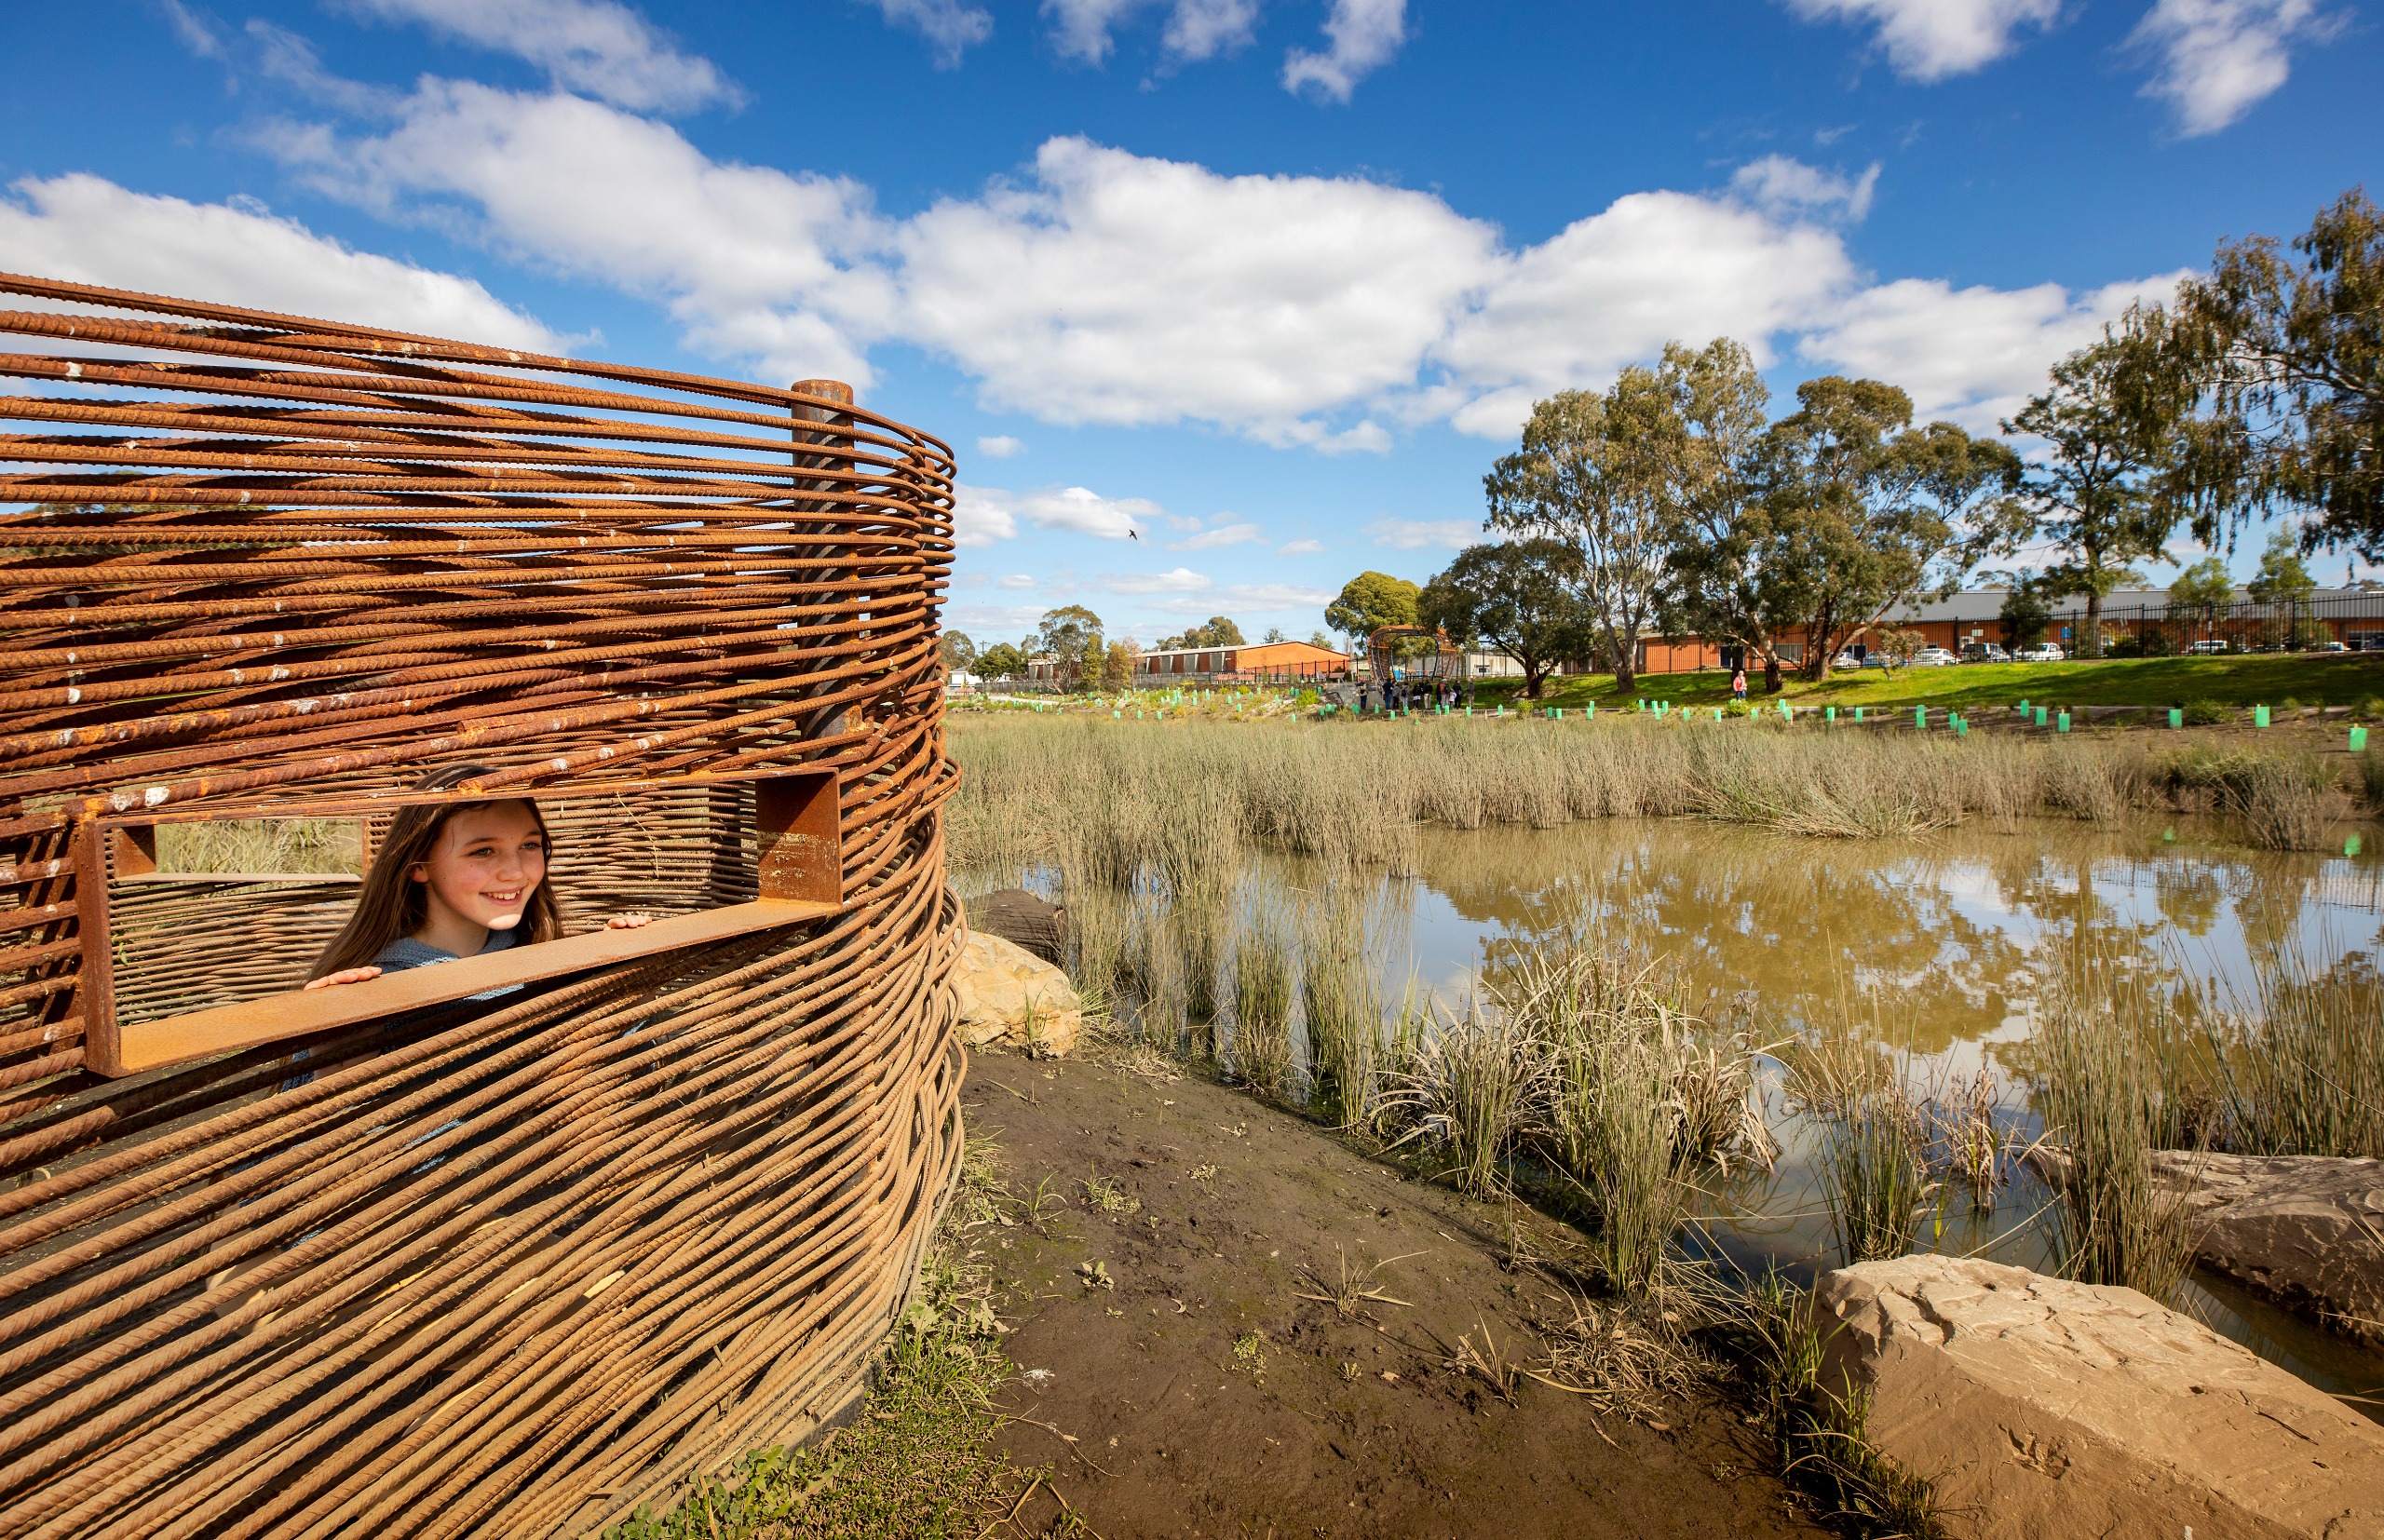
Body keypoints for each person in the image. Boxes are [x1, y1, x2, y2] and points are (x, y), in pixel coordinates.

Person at [306, 763, 648, 991]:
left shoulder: (540, 962)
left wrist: (613, 981)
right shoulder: (376, 987)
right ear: (419, 866)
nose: (515, 872)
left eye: (530, 845)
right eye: (483, 851)